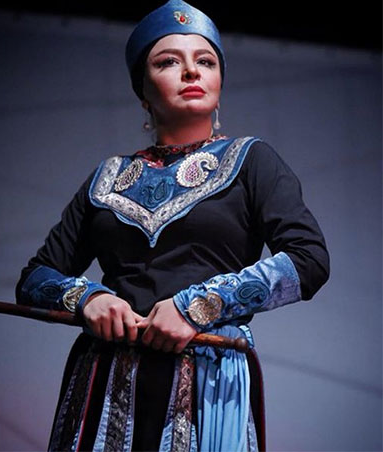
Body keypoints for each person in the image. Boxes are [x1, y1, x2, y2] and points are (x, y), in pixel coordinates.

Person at [16, 1, 330, 451]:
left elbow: (309, 260)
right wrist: (89, 299)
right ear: (142, 90)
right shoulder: (108, 176)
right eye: (168, 62)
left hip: (205, 375)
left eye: (206, 61)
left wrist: (196, 307)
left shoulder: (251, 160)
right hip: (106, 377)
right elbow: (35, 278)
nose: (191, 72)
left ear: (220, 82)